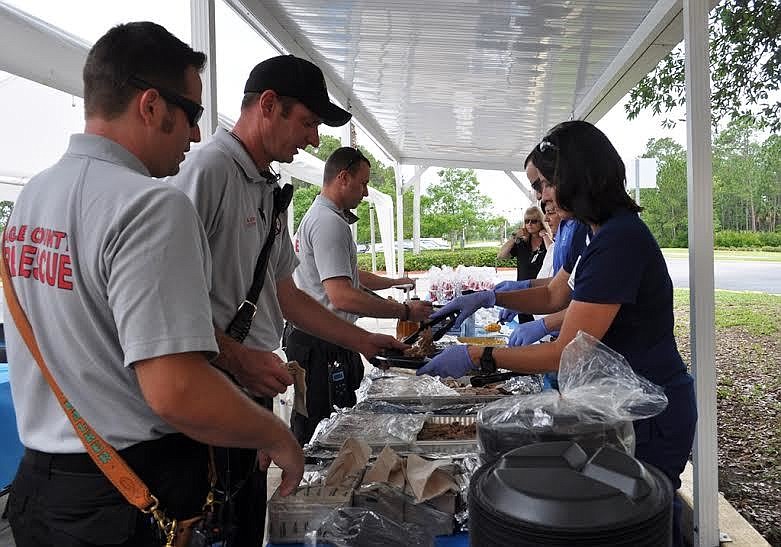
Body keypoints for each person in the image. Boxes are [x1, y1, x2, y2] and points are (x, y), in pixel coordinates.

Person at [2, 22, 304, 547]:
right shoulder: (150, 205)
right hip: (131, 494)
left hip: (45, 490)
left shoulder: (33, 198)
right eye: (191, 114)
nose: (194, 134)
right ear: (150, 106)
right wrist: (275, 433)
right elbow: (176, 390)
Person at [419, 120, 697, 547]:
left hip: (650, 408)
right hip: (621, 402)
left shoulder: (620, 240)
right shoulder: (593, 233)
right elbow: (553, 293)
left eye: (545, 183)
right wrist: (491, 297)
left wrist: (480, 358)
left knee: (643, 522)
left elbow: (569, 352)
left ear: (577, 175)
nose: (542, 196)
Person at [169, 55, 406, 545]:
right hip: (211, 386)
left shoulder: (266, 187)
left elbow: (286, 294)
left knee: (246, 516)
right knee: (215, 521)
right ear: (269, 106)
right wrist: (238, 360)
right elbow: (170, 301)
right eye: (308, 123)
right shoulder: (209, 171)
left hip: (246, 385)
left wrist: (364, 339)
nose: (314, 140)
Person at [288, 147, 433, 444]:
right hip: (321, 344)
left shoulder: (323, 217)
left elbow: (349, 275)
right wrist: (404, 311)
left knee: (327, 423)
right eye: (363, 183)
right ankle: (313, 484)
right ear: (343, 178)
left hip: (327, 338)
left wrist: (392, 282)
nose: (366, 193)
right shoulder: (328, 223)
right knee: (323, 431)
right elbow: (343, 296)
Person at [497, 205, 549, 282]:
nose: (530, 224)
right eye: (527, 221)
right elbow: (501, 256)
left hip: (541, 288)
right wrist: (515, 237)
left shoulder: (547, 241)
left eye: (534, 221)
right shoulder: (521, 242)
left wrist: (545, 236)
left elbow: (553, 254)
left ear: (541, 222)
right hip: (522, 288)